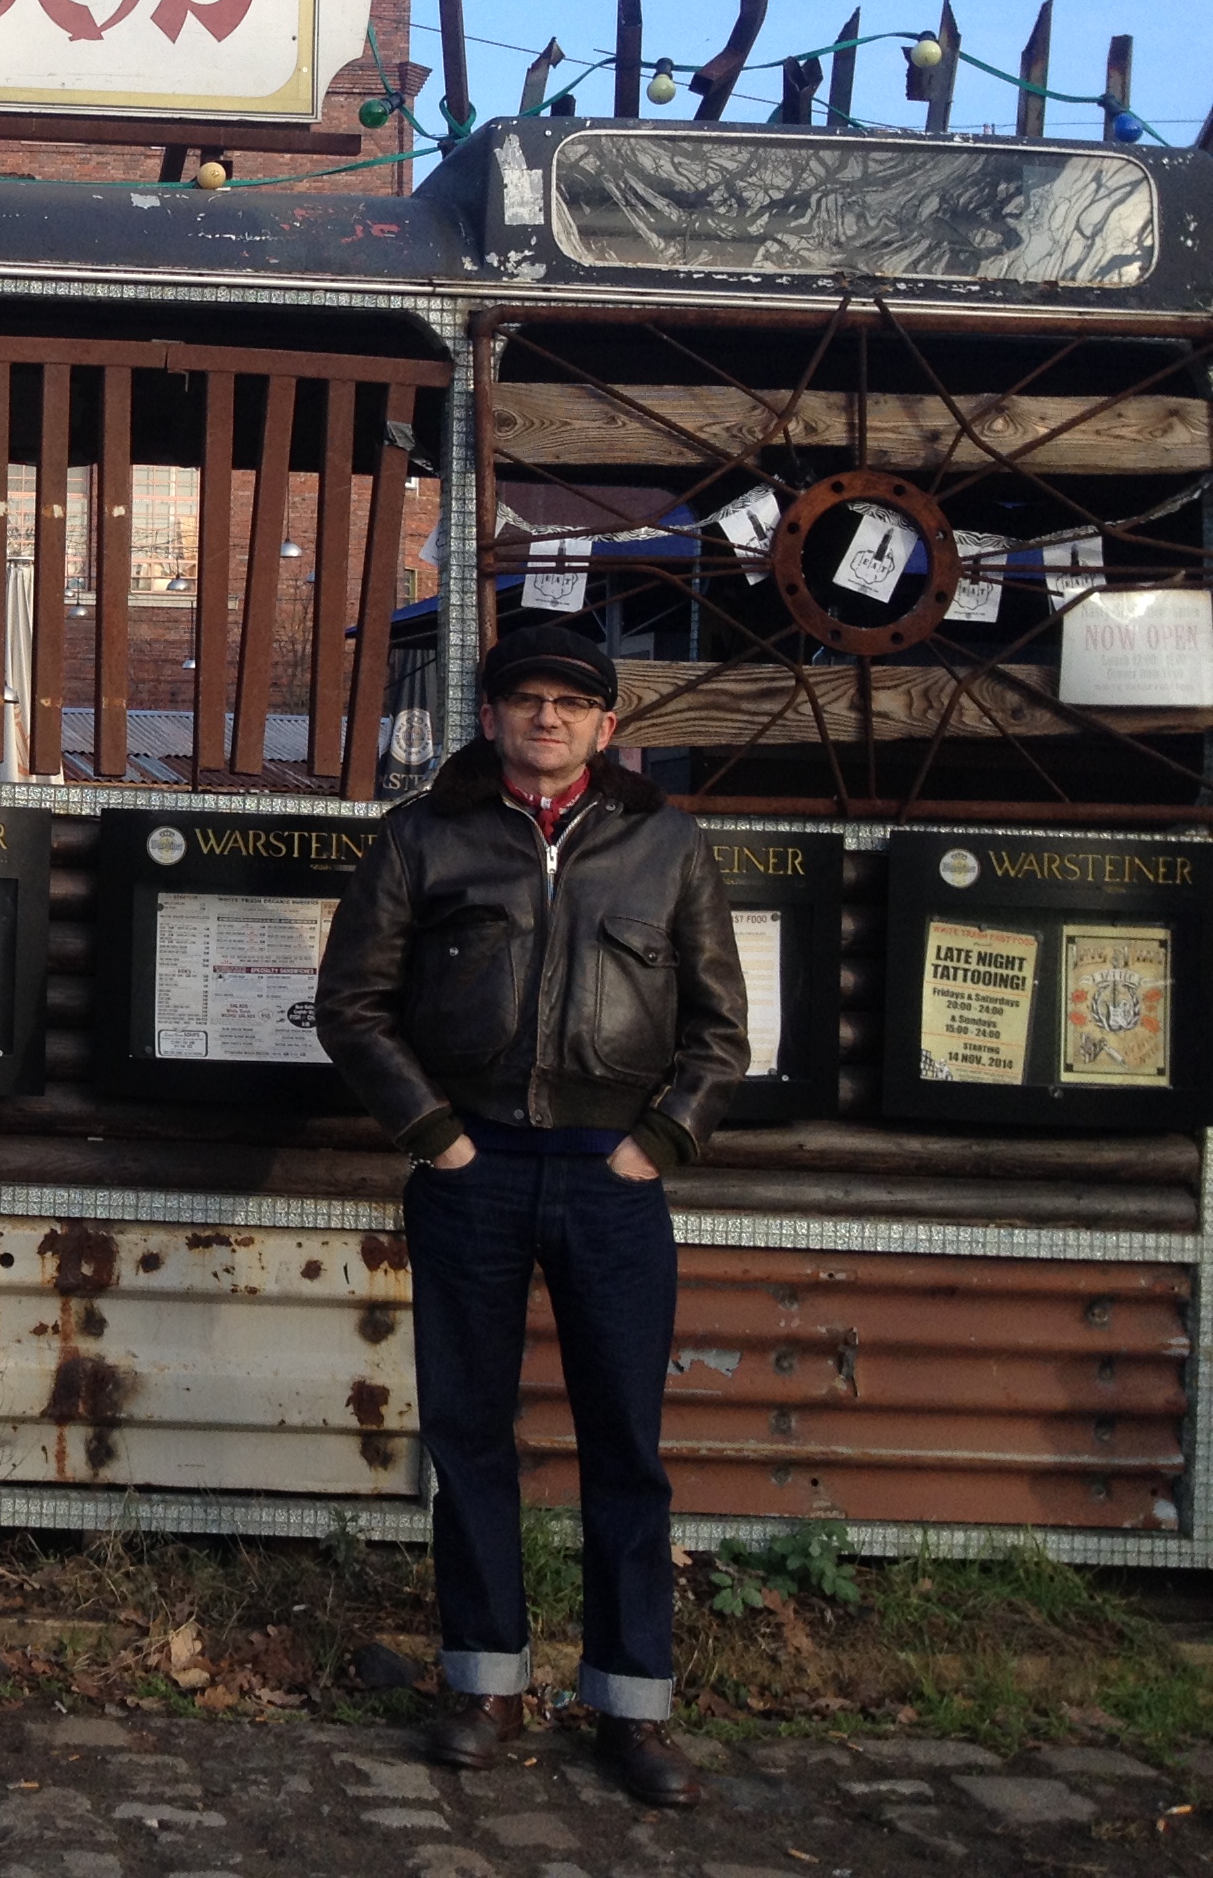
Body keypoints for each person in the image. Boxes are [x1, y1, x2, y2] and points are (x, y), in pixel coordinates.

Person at [314, 621, 748, 1807]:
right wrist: (434, 1135)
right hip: (476, 1170)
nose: (546, 717)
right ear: (491, 715)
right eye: (525, 699)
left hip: (612, 1179)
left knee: (625, 1444)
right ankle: (484, 1684)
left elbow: (720, 1031)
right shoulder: (423, 837)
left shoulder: (666, 845)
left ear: (607, 724)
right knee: (468, 1434)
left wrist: (660, 1143)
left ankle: (632, 1702)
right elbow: (352, 1004)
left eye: (570, 701)